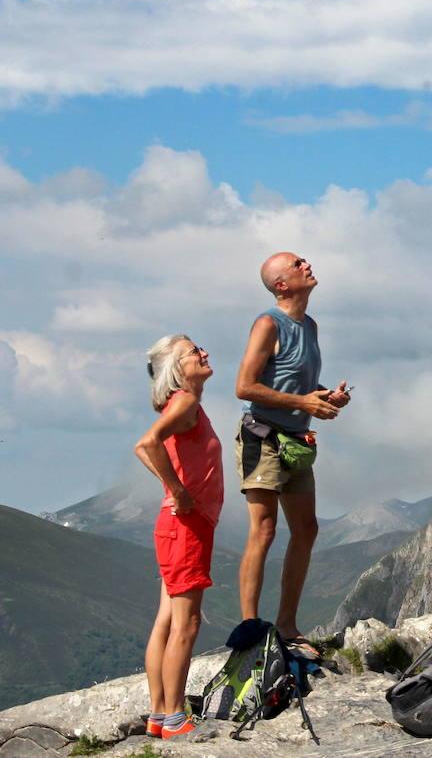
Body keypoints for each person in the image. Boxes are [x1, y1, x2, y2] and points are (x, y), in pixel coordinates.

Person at [234, 252, 350, 652]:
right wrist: (304, 404)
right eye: (297, 264)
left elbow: (296, 381)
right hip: (264, 437)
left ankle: (286, 625)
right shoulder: (268, 324)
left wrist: (323, 397)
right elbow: (245, 387)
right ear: (281, 285)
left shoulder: (310, 325)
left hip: (295, 441)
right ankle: (250, 627)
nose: (307, 264)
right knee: (264, 529)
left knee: (306, 529)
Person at [134, 335, 223, 740]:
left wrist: (172, 488)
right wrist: (180, 491)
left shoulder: (183, 405)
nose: (203, 353)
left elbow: (145, 449)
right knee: (185, 626)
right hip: (187, 527)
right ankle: (174, 718)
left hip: (176, 525)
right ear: (177, 367)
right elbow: (146, 444)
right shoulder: (185, 402)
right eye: (193, 352)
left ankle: (158, 714)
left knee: (166, 622)